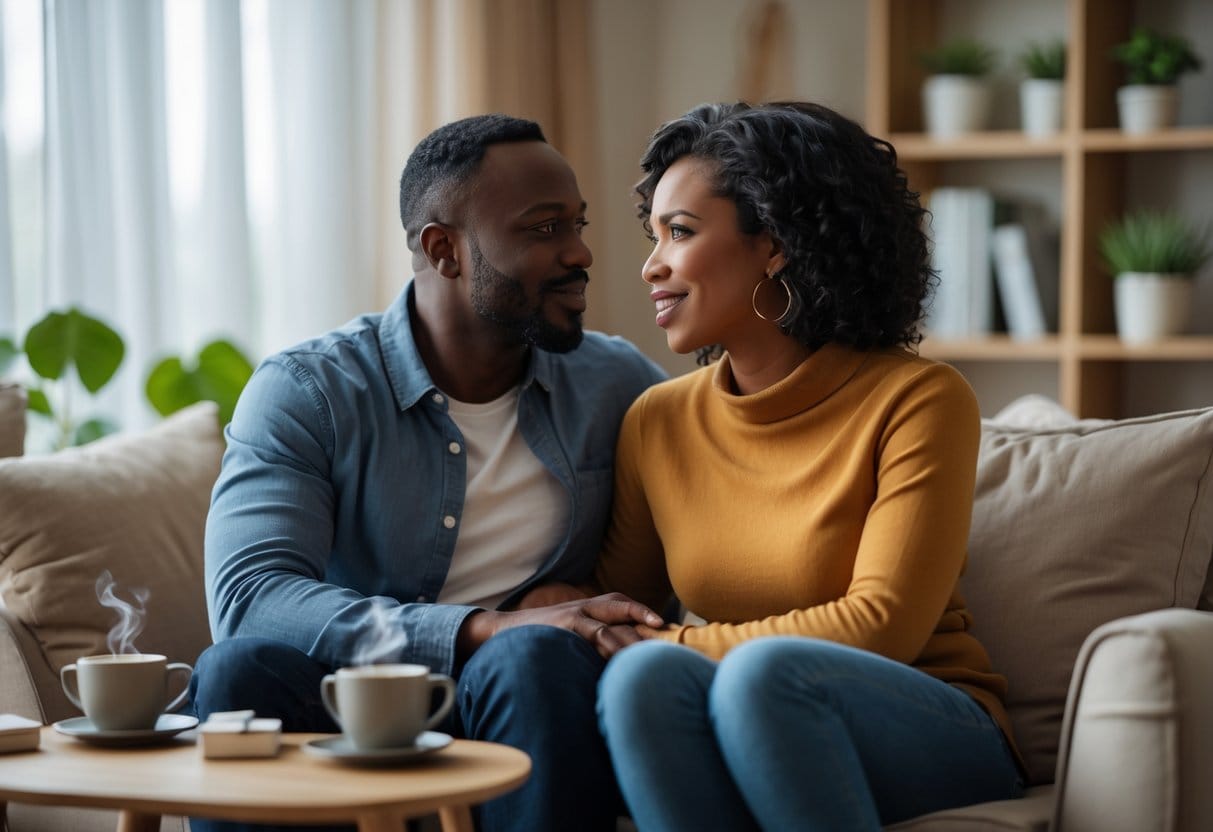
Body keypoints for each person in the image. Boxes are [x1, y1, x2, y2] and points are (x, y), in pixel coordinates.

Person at [190, 113, 667, 832]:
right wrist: (480, 628)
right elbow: (251, 599)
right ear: (444, 250)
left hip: (525, 698)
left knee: (535, 657)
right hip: (350, 704)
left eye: (578, 224)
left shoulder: (615, 382)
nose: (580, 253)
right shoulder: (310, 390)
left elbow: (686, 557)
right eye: (543, 229)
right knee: (236, 671)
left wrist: (584, 597)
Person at [590, 102, 1026, 831]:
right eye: (653, 234)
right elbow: (619, 617)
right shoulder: (656, 422)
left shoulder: (917, 398)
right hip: (747, 711)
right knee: (640, 677)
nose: (651, 265)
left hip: (930, 721)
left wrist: (681, 644)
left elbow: (882, 624)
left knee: (759, 675)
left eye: (681, 233)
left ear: (775, 245)